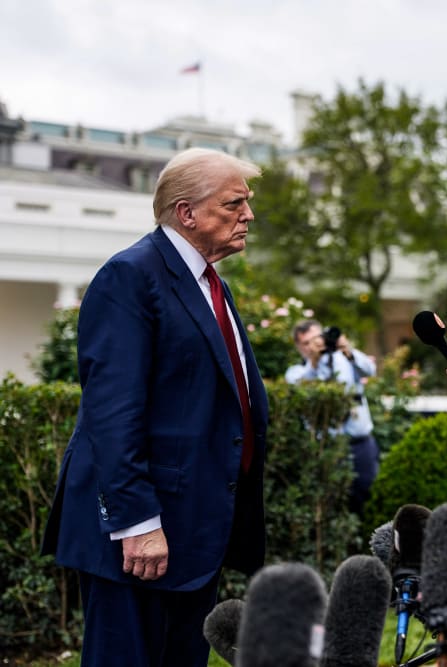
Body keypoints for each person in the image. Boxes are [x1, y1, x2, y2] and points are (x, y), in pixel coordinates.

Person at [41, 148, 267, 667]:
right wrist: (138, 522)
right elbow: (112, 412)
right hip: (141, 533)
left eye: (247, 203)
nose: (248, 215)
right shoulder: (131, 275)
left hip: (194, 527)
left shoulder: (210, 283)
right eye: (234, 203)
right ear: (187, 213)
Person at [285, 320, 380, 514]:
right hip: (327, 447)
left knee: (368, 499)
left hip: (360, 445)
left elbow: (370, 370)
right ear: (299, 347)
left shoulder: (345, 360)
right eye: (306, 343)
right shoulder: (297, 372)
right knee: (330, 503)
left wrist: (349, 350)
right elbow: (303, 386)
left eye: (317, 338)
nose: (315, 345)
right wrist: (314, 362)